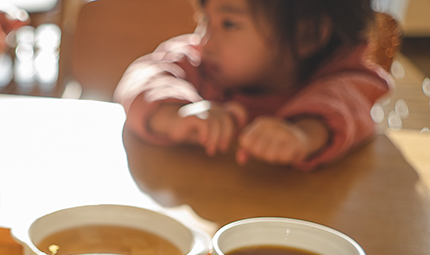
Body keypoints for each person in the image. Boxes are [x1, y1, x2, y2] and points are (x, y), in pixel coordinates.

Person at [114, 0, 392, 170]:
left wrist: (303, 136)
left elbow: (348, 107)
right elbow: (143, 77)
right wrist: (175, 116)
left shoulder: (343, 76)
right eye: (204, 20)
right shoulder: (197, 60)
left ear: (306, 33)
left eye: (229, 23)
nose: (205, 40)